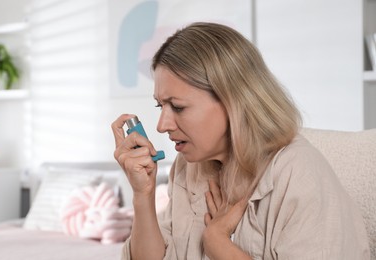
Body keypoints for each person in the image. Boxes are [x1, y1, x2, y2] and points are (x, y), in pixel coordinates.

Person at [111, 22, 370, 260]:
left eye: (177, 107)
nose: (162, 125)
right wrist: (142, 195)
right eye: (161, 106)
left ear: (233, 100)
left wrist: (217, 243)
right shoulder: (190, 167)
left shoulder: (298, 174)